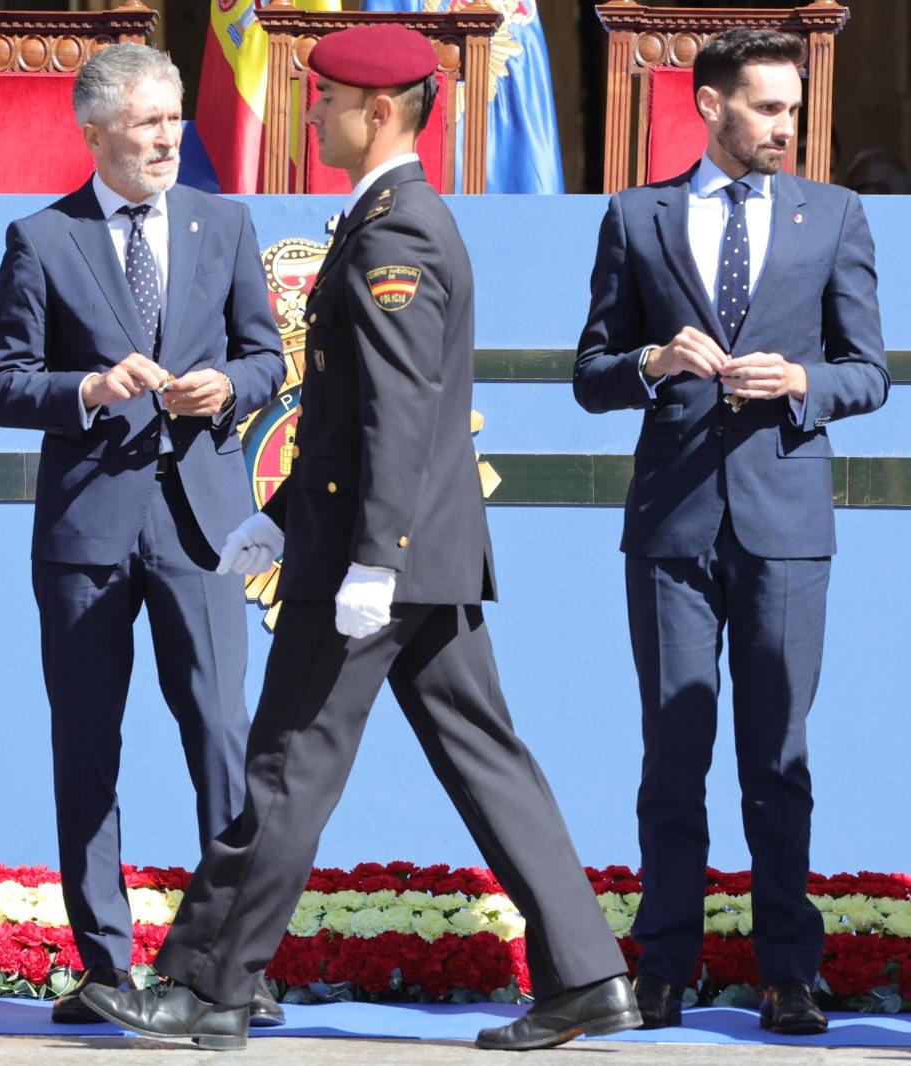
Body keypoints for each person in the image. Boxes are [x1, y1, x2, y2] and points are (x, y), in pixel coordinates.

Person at [79, 25, 638, 1053]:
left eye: (326, 99)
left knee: (285, 766)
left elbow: (400, 418)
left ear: (379, 111)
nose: (311, 113)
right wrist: (281, 513)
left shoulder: (395, 234)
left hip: (379, 560)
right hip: (408, 551)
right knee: (485, 757)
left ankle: (203, 986)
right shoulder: (387, 220)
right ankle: (589, 974)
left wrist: (373, 558)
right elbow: (346, 418)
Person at [573, 27, 887, 1035]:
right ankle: (663, 966)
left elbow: (868, 371)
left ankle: (787, 972)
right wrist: (654, 362)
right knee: (672, 752)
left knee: (775, 756)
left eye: (793, 108)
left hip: (785, 525)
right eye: (767, 107)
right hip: (672, 526)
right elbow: (592, 373)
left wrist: (799, 380)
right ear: (710, 105)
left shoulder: (833, 215)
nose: (786, 125)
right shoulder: (636, 216)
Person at [0, 42, 285, 1025]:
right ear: (95, 130)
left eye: (173, 118)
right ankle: (105, 969)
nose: (167, 138)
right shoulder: (42, 238)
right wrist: (88, 387)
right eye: (147, 121)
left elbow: (268, 357)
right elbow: (3, 385)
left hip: (201, 523)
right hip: (87, 531)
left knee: (221, 737)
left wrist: (227, 385)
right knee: (87, 745)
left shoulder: (223, 222)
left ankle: (230, 969)